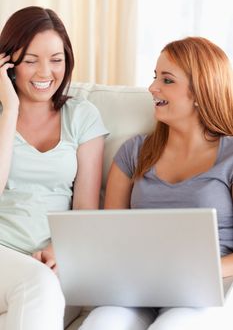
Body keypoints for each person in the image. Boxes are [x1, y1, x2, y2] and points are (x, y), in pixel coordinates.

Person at [77, 37, 233, 330]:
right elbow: (112, 234)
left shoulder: (230, 156)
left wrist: (198, 271)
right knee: (100, 325)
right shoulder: (134, 152)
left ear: (200, 91)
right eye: (154, 77)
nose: (152, 88)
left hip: (207, 289)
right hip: (139, 285)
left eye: (167, 80)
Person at [0, 6, 108, 330]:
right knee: (38, 286)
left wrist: (60, 245)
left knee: (38, 293)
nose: (44, 72)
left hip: (53, 260)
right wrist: (10, 109)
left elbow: (85, 207)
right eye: (30, 60)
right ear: (8, 64)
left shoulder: (82, 116)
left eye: (56, 60)